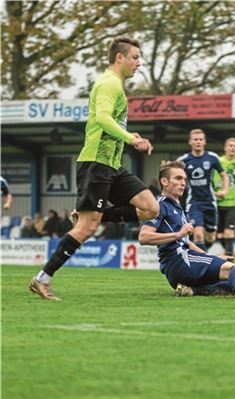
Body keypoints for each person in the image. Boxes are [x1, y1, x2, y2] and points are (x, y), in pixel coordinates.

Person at [29, 37, 159, 300]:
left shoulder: (115, 84)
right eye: (135, 57)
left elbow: (107, 122)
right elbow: (102, 118)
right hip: (96, 164)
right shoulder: (109, 83)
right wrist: (130, 138)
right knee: (87, 229)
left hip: (112, 164)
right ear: (119, 58)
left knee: (150, 207)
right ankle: (42, 279)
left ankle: (87, 213)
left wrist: (126, 133)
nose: (139, 62)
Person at [139, 160, 235, 298]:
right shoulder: (159, 205)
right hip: (180, 261)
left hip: (178, 268)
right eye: (178, 178)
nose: (183, 183)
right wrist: (178, 234)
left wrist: (209, 257)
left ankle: (192, 290)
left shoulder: (176, 206)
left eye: (184, 179)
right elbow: (144, 237)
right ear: (164, 181)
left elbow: (186, 241)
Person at [178, 129, 229, 252]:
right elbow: (174, 176)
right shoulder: (183, 160)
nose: (198, 142)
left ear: (205, 142)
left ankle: (204, 252)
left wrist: (225, 190)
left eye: (201, 139)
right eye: (195, 139)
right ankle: (201, 262)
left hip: (210, 202)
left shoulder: (212, 158)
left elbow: (224, 175)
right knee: (198, 234)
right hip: (194, 203)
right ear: (190, 142)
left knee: (211, 237)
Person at [213, 137, 235, 257]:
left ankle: (229, 256)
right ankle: (229, 252)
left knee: (229, 231)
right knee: (219, 234)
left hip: (232, 202)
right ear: (225, 148)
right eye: (230, 145)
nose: (232, 148)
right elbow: (210, 179)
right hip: (217, 201)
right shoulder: (217, 162)